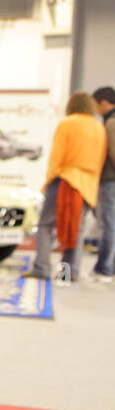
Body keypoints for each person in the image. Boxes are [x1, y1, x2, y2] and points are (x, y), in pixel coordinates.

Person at [24, 91, 107, 282]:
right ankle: (69, 272)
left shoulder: (68, 123)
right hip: (87, 185)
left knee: (46, 224)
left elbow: (57, 156)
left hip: (65, 180)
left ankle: (42, 267)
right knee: (76, 229)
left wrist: (48, 180)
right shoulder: (98, 127)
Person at [92, 85, 115, 282]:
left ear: (105, 103)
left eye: (97, 105)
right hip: (109, 180)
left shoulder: (111, 122)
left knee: (108, 223)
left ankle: (105, 269)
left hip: (110, 180)